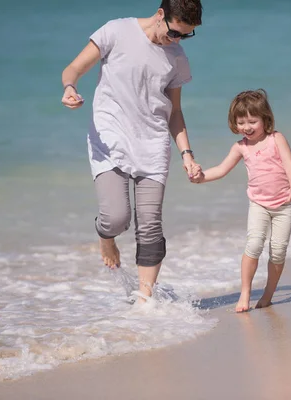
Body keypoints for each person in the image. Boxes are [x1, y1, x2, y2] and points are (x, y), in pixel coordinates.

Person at [60, 0, 203, 302]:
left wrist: (187, 154)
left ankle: (144, 301)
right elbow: (73, 67)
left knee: (150, 225)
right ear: (161, 15)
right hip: (110, 136)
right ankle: (105, 236)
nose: (178, 41)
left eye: (186, 36)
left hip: (152, 141)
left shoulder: (176, 57)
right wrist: (70, 87)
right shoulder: (117, 31)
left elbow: (175, 112)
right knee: (116, 218)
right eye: (176, 33)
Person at [196, 89, 291, 312]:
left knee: (278, 250)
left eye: (252, 121)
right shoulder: (240, 147)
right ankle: (245, 293)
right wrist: (200, 178)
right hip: (258, 204)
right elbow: (221, 169)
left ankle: (268, 293)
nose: (246, 127)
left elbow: (289, 165)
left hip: (284, 204)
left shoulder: (276, 139)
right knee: (254, 244)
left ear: (265, 119)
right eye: (241, 122)